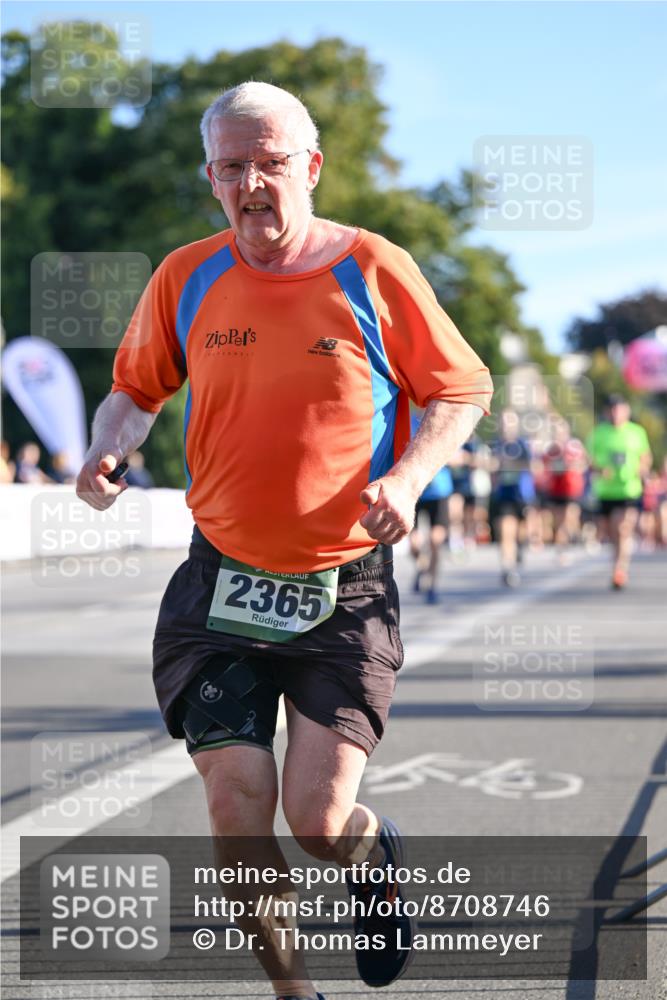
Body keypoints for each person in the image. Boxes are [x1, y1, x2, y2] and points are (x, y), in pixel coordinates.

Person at [76, 82, 493, 1000]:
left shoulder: (372, 267)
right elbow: (136, 389)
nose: (253, 182)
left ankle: (368, 856)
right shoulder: (186, 275)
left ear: (309, 167)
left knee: (315, 818)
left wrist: (410, 478)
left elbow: (461, 390)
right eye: (233, 167)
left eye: (271, 162)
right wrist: (109, 444)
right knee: (234, 807)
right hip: (216, 582)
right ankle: (293, 992)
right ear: (213, 179)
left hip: (342, 588)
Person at [587, 394, 652, 589]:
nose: (615, 413)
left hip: (629, 489)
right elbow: (589, 461)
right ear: (607, 412)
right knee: (610, 532)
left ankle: (619, 570)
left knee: (623, 528)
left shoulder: (636, 432)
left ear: (626, 411)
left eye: (619, 409)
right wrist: (600, 470)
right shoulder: (598, 433)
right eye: (612, 409)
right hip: (606, 491)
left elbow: (645, 456)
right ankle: (617, 562)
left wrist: (642, 469)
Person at [408, 411, 453, 604]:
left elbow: (456, 452)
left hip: (440, 491)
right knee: (415, 544)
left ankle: (432, 586)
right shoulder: (409, 420)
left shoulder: (445, 416)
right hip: (415, 490)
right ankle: (422, 566)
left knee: (435, 540)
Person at [489, 408, 536, 587]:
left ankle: (519, 549)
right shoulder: (496, 445)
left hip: (522, 494)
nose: (507, 426)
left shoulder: (522, 445)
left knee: (520, 532)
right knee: (505, 531)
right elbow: (491, 468)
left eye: (510, 422)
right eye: (504, 422)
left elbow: (533, 465)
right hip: (504, 494)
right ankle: (507, 568)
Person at [541, 418, 587, 563]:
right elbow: (544, 465)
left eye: (560, 431)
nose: (558, 434)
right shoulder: (551, 448)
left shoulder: (574, 445)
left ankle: (573, 539)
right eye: (555, 431)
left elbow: (584, 463)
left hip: (571, 487)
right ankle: (562, 550)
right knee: (558, 521)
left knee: (568, 518)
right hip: (556, 488)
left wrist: (571, 465)